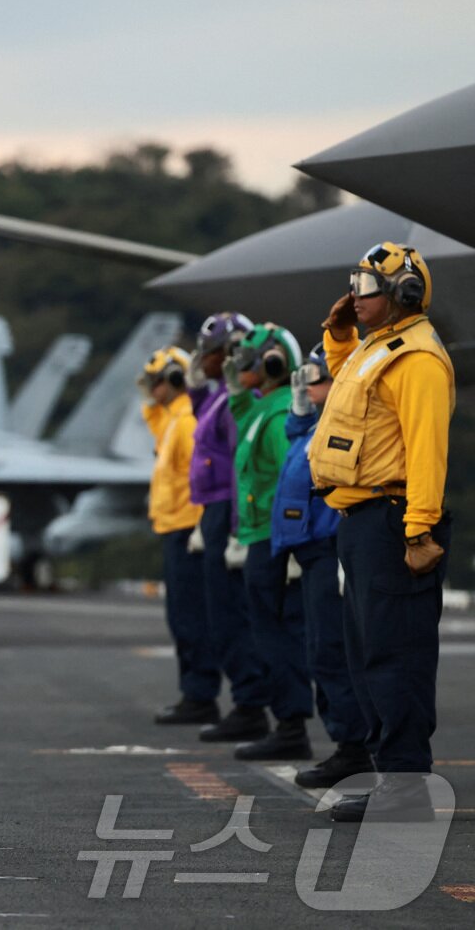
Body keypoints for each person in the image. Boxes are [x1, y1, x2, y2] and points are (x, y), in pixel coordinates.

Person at [311, 243, 454, 822]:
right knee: (367, 653)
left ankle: (406, 786)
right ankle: (386, 774)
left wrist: (419, 530)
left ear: (405, 295)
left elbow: (426, 451)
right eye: (355, 282)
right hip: (361, 521)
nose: (355, 296)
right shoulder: (377, 348)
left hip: (395, 522)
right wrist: (340, 334)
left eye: (367, 287)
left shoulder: (417, 358)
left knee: (397, 655)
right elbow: (348, 389)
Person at [272, 344, 369, 788]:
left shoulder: (349, 423)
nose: (309, 387)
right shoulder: (317, 424)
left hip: (330, 547)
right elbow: (299, 452)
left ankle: (354, 747)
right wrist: (298, 415)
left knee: (332, 652)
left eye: (318, 378)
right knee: (320, 651)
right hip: (312, 551)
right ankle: (346, 743)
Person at [225, 322, 312, 761]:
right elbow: (239, 414)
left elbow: (289, 479)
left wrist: (290, 543)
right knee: (266, 632)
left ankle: (291, 725)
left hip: (272, 540)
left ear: (272, 364)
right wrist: (235, 383)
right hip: (259, 535)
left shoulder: (278, 414)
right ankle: (287, 722)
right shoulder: (263, 408)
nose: (239, 369)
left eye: (248, 362)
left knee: (275, 635)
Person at [184, 313, 270, 739]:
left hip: (226, 510)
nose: (204, 361)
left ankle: (250, 703)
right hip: (215, 509)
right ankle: (247, 700)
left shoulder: (241, 398)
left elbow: (239, 465)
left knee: (230, 614)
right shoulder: (223, 395)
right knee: (220, 613)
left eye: (210, 354)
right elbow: (207, 424)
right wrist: (196, 387)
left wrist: (235, 528)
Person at [138, 347, 217, 726]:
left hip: (188, 530)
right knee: (180, 616)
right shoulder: (172, 418)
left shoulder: (186, 421)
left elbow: (200, 476)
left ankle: (200, 695)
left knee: (190, 618)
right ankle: (195, 693)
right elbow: (154, 425)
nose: (150, 390)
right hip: (174, 527)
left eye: (157, 381)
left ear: (171, 381)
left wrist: (203, 527)